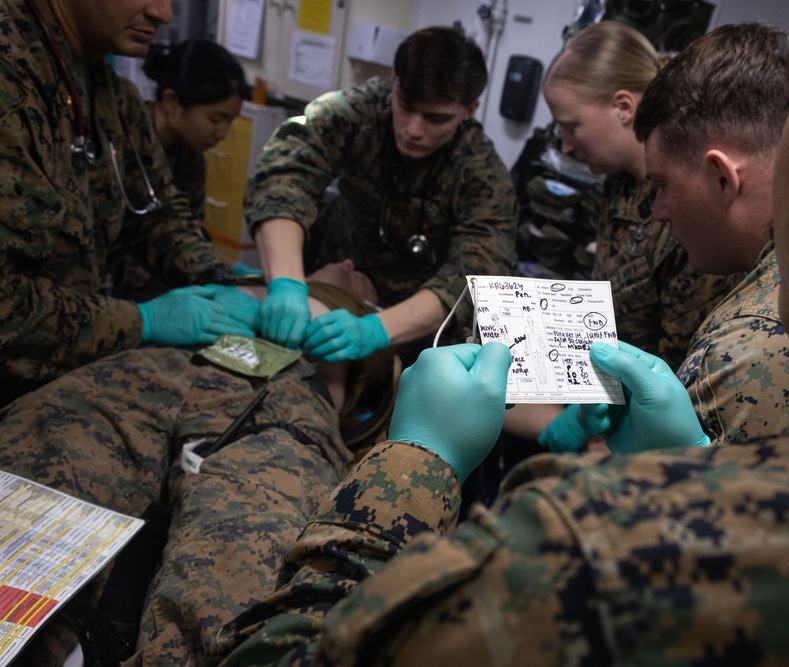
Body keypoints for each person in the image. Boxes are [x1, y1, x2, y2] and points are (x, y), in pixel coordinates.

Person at [207, 4, 789, 663]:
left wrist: (416, 460)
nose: (782, 142)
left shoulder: (592, 554)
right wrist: (695, 466)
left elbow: (282, 653)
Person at [0, 260, 397, 667]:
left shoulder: (370, 329)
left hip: (282, 399)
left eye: (360, 270)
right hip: (153, 369)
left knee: (242, 560)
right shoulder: (245, 278)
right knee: (32, 498)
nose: (347, 260)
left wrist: (376, 324)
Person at [526, 21, 789, 452]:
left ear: (722, 179)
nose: (659, 210)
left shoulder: (751, 346)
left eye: (663, 187)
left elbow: (685, 507)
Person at [0, 0, 252, 408]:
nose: (164, 14)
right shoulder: (13, 73)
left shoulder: (111, 95)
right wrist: (140, 321)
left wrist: (216, 279)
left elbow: (159, 215)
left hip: (60, 375)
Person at [504, 20, 738, 452]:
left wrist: (603, 437)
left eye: (572, 126)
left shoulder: (686, 209)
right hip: (602, 398)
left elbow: (681, 370)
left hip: (648, 429)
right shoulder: (618, 183)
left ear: (624, 107)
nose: (566, 145)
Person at [245, 25, 518, 363]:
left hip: (418, 322)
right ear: (394, 80)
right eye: (405, 106)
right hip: (341, 282)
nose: (413, 130)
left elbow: (478, 273)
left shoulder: (481, 173)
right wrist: (286, 284)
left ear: (470, 108)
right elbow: (283, 178)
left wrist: (377, 329)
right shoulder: (352, 114)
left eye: (436, 118)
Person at [143, 38, 248, 222]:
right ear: (172, 102)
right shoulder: (123, 141)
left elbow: (188, 227)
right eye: (215, 119)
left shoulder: (190, 159)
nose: (222, 134)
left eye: (230, 122)